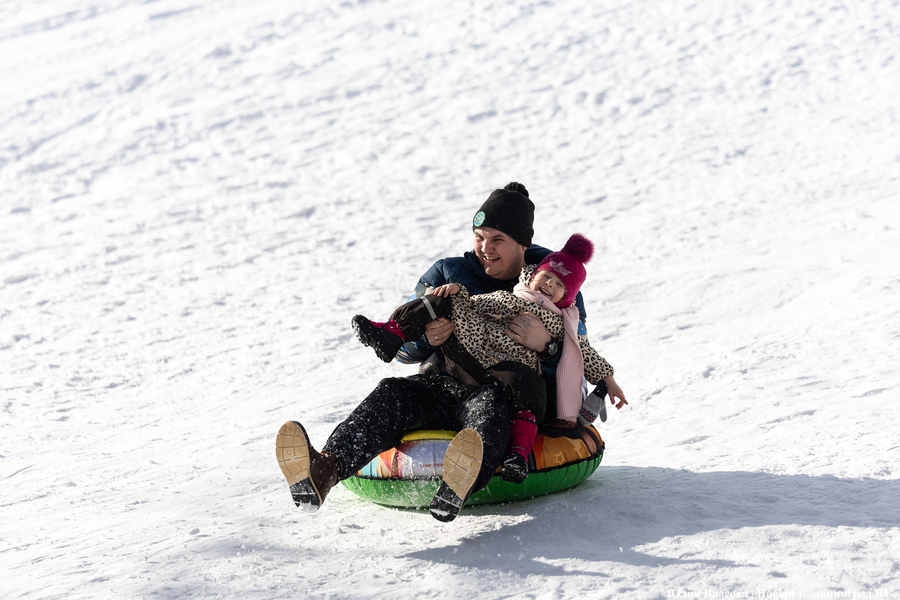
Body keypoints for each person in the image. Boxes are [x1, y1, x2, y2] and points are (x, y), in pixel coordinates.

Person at [275, 182, 627, 522]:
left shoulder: (556, 282)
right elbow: (405, 354)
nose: (485, 248)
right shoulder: (447, 272)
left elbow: (578, 361)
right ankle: (325, 470)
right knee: (392, 392)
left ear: (523, 244)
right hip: (444, 383)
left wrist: (547, 347)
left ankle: (458, 486)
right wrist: (427, 339)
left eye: (498, 240)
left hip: (503, 392)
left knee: (491, 410)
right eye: (479, 238)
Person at [351, 233, 626, 482]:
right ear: (534, 275)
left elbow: (585, 353)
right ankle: (390, 333)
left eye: (557, 285)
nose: (547, 286)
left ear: (567, 297)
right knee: (441, 300)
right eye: (546, 277)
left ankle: (513, 455)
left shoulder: (560, 322)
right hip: (476, 344)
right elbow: (477, 305)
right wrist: (455, 297)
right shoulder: (513, 296)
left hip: (508, 369)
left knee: (515, 394)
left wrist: (607, 380)